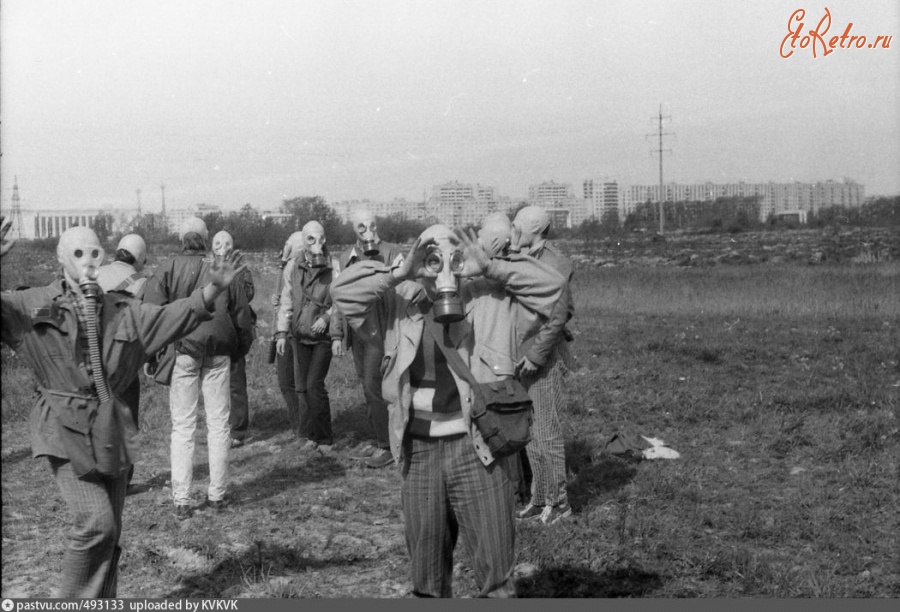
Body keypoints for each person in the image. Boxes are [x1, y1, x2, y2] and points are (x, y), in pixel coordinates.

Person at [0, 218, 246, 597]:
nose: (87, 261)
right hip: (62, 429)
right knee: (96, 525)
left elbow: (172, 315)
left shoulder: (123, 311)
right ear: (60, 258)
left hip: (111, 428)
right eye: (77, 253)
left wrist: (212, 287)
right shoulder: (34, 304)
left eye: (94, 252)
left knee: (111, 535)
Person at [330, 223, 564, 598]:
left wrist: (489, 268)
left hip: (478, 451)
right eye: (432, 255)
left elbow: (554, 291)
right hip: (418, 452)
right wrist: (401, 272)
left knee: (496, 582)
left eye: (448, 256)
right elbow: (342, 292)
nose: (441, 268)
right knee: (427, 581)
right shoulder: (399, 302)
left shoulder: (490, 299)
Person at [143, 218, 254, 519]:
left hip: (183, 351)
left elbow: (150, 315)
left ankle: (181, 500)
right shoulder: (220, 266)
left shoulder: (168, 267)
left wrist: (151, 354)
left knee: (183, 426)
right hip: (219, 352)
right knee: (219, 424)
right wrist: (238, 350)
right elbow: (243, 317)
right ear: (206, 239)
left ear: (181, 238)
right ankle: (217, 495)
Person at [510, 206, 576, 525]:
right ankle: (540, 499)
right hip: (522, 353)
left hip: (543, 356)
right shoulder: (521, 256)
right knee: (531, 431)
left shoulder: (554, 263)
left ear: (534, 228)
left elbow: (559, 316)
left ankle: (559, 503)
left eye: (517, 226)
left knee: (547, 430)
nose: (512, 230)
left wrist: (536, 355)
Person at [334, 208, 405, 468]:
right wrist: (338, 334)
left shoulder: (392, 252)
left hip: (383, 328)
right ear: (354, 230)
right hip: (359, 330)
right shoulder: (346, 258)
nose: (368, 233)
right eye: (361, 228)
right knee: (366, 385)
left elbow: (401, 288)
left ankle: (388, 444)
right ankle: (378, 438)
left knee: (378, 386)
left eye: (372, 226)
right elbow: (340, 299)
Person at [275, 221, 342, 452]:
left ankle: (325, 438)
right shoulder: (293, 267)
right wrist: (282, 333)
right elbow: (286, 300)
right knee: (302, 387)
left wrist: (327, 319)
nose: (317, 245)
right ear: (304, 242)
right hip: (300, 334)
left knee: (314, 385)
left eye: (320, 239)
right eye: (311, 240)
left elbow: (341, 301)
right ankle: (311, 435)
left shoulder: (334, 266)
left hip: (322, 336)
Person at [96, 234, 149, 488]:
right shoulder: (142, 283)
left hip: (94, 361)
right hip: (125, 362)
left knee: (96, 417)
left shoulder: (96, 273)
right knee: (126, 419)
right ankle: (123, 481)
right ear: (139, 257)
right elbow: (147, 327)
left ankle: (97, 474)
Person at [211, 230, 256, 448]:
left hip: (236, 333)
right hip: (215, 333)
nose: (223, 247)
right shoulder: (206, 268)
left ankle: (237, 430)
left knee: (236, 383)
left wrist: (234, 275)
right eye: (218, 243)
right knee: (215, 385)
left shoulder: (242, 268)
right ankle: (219, 428)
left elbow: (248, 295)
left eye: (227, 242)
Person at [271, 231, 304, 439]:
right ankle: (300, 425)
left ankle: (301, 426)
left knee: (291, 382)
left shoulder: (295, 267)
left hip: (294, 332)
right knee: (289, 382)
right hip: (287, 331)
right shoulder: (287, 267)